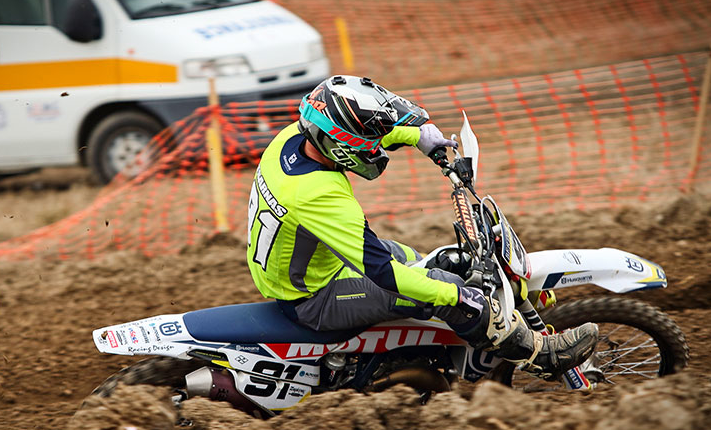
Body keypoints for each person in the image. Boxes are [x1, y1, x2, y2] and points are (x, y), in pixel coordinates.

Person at [246, 75, 597, 380]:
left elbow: (353, 134)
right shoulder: (319, 194)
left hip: (315, 262)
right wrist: (457, 297)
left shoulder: (294, 138)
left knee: (439, 261)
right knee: (451, 294)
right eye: (368, 141)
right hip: (313, 297)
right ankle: (540, 356)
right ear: (340, 145)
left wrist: (415, 136)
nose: (374, 146)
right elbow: (385, 274)